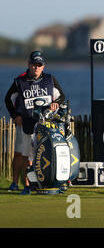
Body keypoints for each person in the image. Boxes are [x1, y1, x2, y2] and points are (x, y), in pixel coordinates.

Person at [4, 51, 65, 195]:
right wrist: (15, 116)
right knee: (27, 155)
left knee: (47, 152)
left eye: (39, 65)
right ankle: (27, 186)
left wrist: (55, 103)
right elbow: (8, 99)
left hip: (46, 125)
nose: (36, 68)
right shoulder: (20, 81)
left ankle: (49, 182)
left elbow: (61, 96)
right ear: (28, 64)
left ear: (43, 66)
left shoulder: (50, 79)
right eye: (33, 64)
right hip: (27, 123)